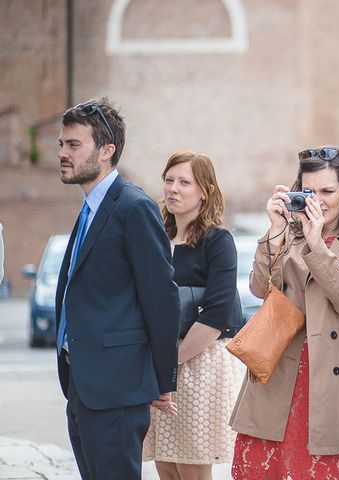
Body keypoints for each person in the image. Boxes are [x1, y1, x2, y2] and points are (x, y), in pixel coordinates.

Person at [230, 146, 339, 479]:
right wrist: (276, 230)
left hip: (329, 373)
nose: (318, 200)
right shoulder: (289, 231)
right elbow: (257, 287)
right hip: (277, 367)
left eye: (327, 191)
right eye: (309, 191)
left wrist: (317, 246)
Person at [56, 98, 180, 480]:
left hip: (117, 389)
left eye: (74, 145)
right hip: (84, 384)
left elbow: (161, 298)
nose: (62, 153)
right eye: (61, 144)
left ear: (107, 151)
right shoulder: (90, 207)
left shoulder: (133, 207)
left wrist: (162, 381)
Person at [143, 151, 244, 479]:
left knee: (192, 470)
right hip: (156, 363)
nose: (173, 188)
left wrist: (168, 365)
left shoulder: (218, 242)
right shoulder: (154, 240)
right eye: (169, 180)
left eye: (184, 182)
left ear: (205, 191)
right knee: (166, 467)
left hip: (198, 365)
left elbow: (215, 317)